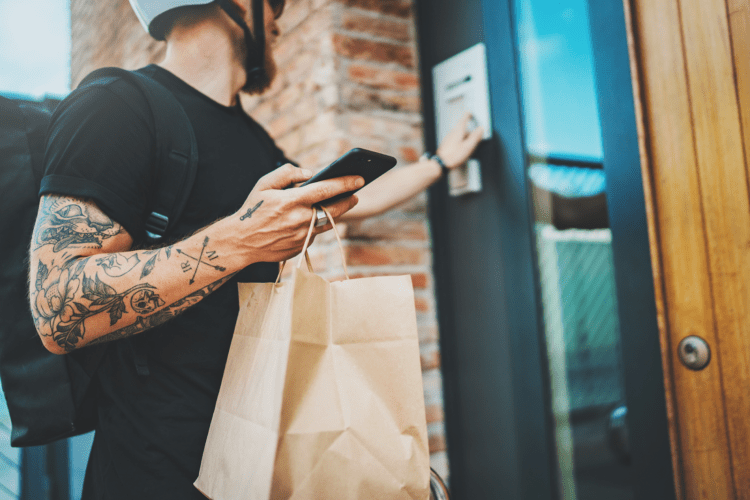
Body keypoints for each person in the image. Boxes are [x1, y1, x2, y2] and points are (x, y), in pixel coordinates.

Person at [28, 0, 483, 497]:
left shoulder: (254, 141)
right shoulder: (114, 104)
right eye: (277, 4)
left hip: (257, 463)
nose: (279, 19)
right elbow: (57, 307)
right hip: (156, 474)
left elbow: (353, 198)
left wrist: (440, 162)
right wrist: (241, 240)